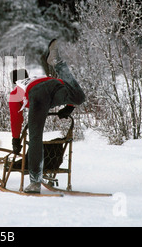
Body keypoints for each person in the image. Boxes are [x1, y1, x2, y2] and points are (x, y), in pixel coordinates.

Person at [8, 39, 86, 193]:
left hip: (38, 95)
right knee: (79, 97)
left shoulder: (16, 91)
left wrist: (16, 140)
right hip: (54, 84)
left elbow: (16, 118)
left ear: (14, 82)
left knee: (35, 136)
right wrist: (69, 106)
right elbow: (66, 87)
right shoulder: (37, 77)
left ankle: (35, 182)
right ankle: (58, 63)